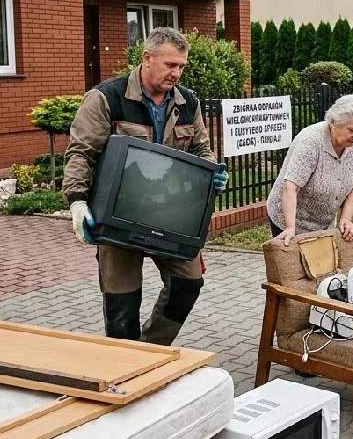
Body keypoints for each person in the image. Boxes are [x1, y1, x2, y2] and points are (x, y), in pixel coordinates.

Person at [63, 27, 229, 345]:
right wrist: (76, 201)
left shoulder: (188, 102)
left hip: (169, 215)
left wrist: (213, 173)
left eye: (181, 66)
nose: (176, 73)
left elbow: (202, 151)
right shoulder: (106, 97)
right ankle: (124, 365)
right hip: (118, 217)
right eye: (170, 65)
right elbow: (81, 152)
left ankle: (151, 348)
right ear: (147, 58)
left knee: (188, 283)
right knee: (121, 306)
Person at [267, 94, 353, 245]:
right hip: (290, 219)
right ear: (333, 123)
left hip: (323, 223)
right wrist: (290, 227)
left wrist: (345, 219)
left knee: (322, 264)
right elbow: (290, 187)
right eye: (352, 130)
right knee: (295, 267)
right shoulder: (310, 141)